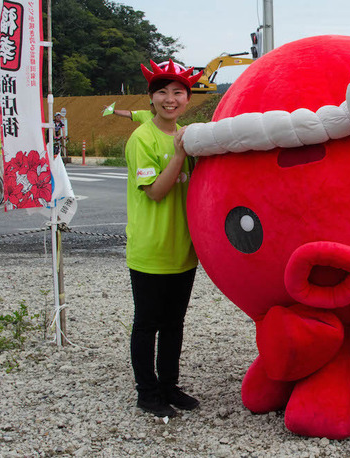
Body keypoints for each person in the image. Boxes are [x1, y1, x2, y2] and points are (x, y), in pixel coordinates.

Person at [125, 59, 202, 418]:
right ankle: (147, 392)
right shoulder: (142, 138)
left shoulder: (185, 133)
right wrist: (181, 154)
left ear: (187, 99)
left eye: (178, 93)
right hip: (151, 248)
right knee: (147, 324)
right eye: (162, 92)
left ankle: (169, 385)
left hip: (183, 248)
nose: (170, 99)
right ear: (151, 98)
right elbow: (155, 192)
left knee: (174, 323)